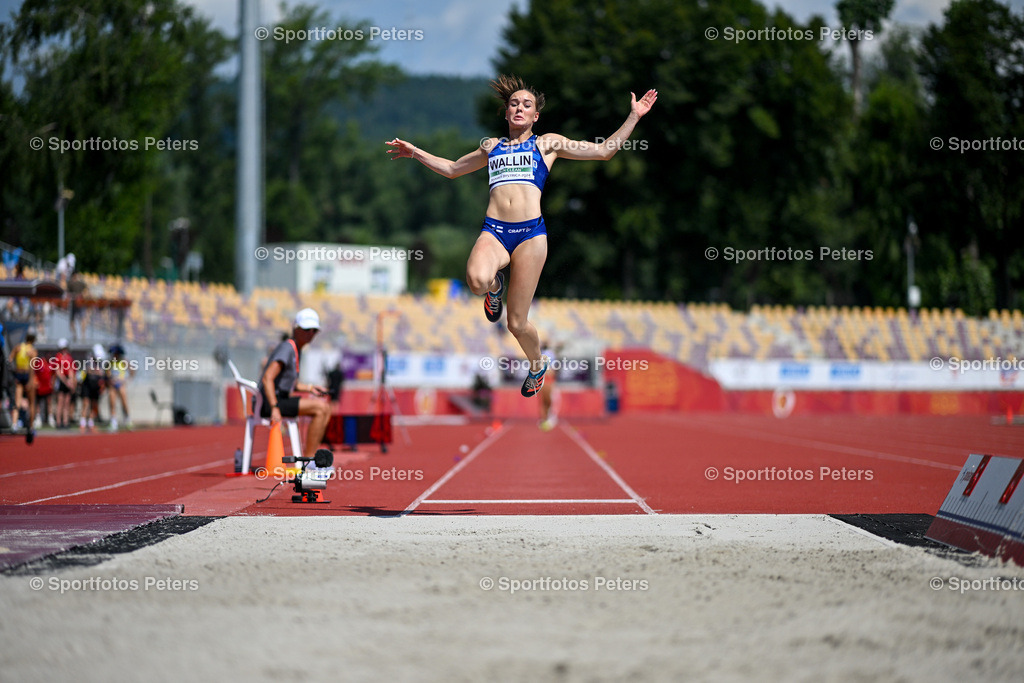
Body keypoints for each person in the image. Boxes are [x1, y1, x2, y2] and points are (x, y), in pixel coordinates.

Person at [387, 75, 657, 397]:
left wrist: (633, 116)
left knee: (516, 323)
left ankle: (537, 364)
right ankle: (494, 286)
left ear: (535, 116)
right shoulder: (492, 147)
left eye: (526, 105)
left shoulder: (548, 143)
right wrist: (415, 151)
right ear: (506, 113)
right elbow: (452, 169)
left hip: (530, 235)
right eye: (514, 103)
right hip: (495, 231)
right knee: (475, 280)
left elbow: (603, 152)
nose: (519, 108)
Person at [258, 308, 332, 460]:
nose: (310, 334)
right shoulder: (287, 348)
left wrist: (311, 388)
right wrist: (274, 408)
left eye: (314, 330)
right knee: (320, 408)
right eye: (306, 329)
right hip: (271, 402)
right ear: (296, 329)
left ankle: (312, 457)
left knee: (325, 408)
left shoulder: (296, 349)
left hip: (280, 398)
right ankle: (310, 460)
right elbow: (267, 378)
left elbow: (292, 384)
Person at [9, 331, 38, 443]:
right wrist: (31, 381)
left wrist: (14, 371)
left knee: (17, 400)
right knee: (31, 402)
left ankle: (14, 424)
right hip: (27, 374)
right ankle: (31, 426)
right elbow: (33, 367)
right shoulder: (32, 351)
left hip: (19, 374)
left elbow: (10, 360)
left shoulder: (18, 347)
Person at [106, 344, 133, 432]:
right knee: (112, 402)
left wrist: (126, 380)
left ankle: (127, 419)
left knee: (124, 402)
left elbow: (132, 371)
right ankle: (113, 421)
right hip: (113, 385)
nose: (115, 356)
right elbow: (107, 373)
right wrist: (110, 379)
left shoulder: (124, 361)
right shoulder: (110, 362)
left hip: (121, 384)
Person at [54, 338, 76, 429]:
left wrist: (71, 381)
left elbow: (71, 370)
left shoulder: (69, 357)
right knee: (60, 402)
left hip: (67, 380)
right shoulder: (58, 357)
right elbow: (58, 371)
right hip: (61, 380)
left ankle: (65, 421)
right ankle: (58, 422)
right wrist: (66, 381)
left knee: (67, 402)